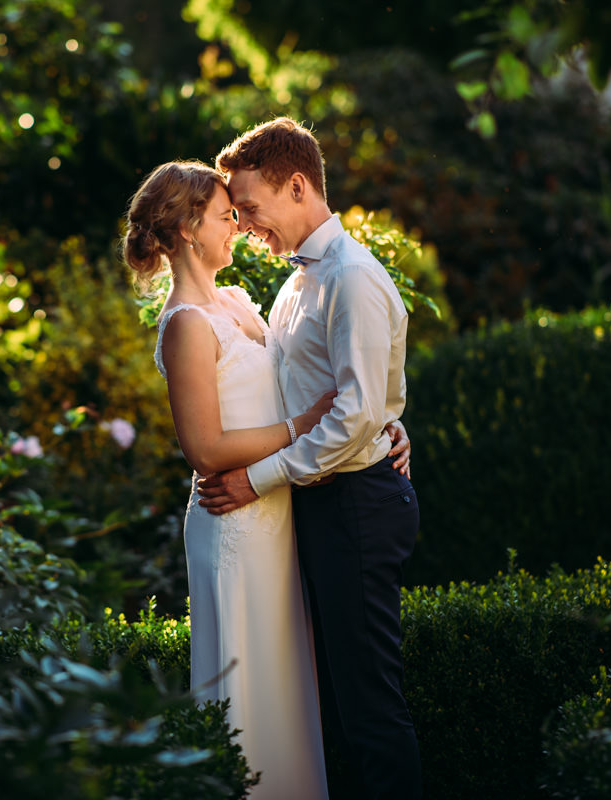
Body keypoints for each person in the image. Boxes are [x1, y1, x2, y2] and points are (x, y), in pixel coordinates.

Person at [122, 160, 410, 799]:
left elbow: (315, 376)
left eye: (241, 211)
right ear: (189, 229)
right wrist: (305, 426)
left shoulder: (237, 302)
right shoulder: (186, 324)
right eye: (229, 215)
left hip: (278, 511)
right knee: (250, 688)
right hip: (237, 517)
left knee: (291, 685)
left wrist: (384, 422)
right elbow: (205, 448)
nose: (241, 227)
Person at [198, 117, 422, 799]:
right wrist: (391, 418)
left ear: (298, 185)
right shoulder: (297, 283)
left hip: (355, 504)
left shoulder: (351, 276)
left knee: (368, 706)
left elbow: (355, 415)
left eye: (252, 209)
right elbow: (341, 396)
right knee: (331, 702)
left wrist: (258, 479)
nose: (246, 226)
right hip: (323, 501)